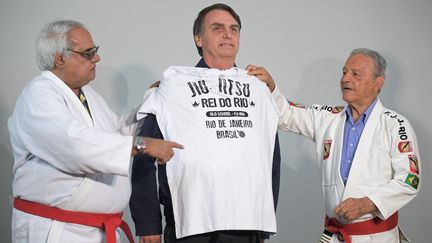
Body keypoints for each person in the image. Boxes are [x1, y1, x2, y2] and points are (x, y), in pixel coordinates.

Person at [8, 20, 183, 243]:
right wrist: (144, 144)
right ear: (60, 58)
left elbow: (116, 133)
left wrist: (150, 102)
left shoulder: (87, 95)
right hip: (58, 230)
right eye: (88, 53)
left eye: (95, 51)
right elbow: (75, 146)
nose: (97, 58)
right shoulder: (38, 95)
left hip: (98, 229)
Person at [129, 3, 281, 243]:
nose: (228, 34)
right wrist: (148, 225)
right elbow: (143, 155)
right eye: (217, 28)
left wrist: (263, 218)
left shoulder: (258, 90)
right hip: (189, 227)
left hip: (246, 226)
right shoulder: (172, 88)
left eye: (234, 28)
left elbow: (270, 157)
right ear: (198, 38)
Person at [254, 48, 421, 242]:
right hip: (336, 235)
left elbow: (409, 180)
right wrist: (271, 88)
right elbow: (287, 115)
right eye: (344, 72)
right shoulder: (328, 118)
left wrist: (367, 204)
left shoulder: (395, 125)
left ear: (378, 83)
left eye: (355, 74)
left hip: (377, 237)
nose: (345, 79)